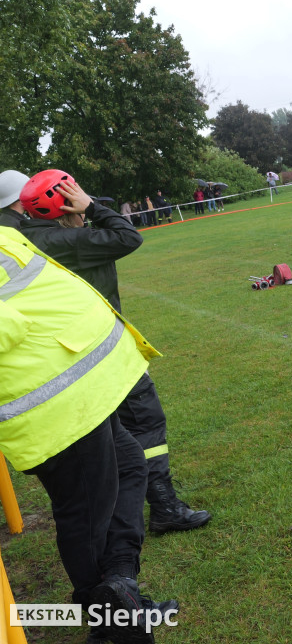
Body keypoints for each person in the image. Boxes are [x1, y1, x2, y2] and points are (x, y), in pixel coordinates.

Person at [0, 224, 176, 644]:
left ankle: (120, 588)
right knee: (85, 513)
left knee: (131, 465)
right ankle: (114, 624)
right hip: (50, 404)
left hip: (79, 391)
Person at [12, 170, 212, 537]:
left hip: (64, 357)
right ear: (65, 202)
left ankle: (125, 515)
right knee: (145, 422)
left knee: (113, 440)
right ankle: (164, 506)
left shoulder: (23, 239)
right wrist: (92, 207)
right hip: (100, 352)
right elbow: (127, 235)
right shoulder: (70, 239)